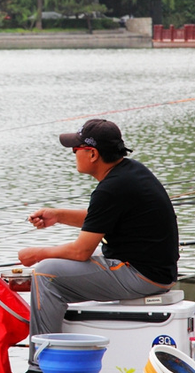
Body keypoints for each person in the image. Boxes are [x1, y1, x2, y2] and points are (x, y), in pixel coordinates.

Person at [18, 119, 179, 373]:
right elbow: (101, 217)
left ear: (92, 154)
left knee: (46, 273)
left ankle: (39, 366)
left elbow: (80, 251)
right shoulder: (129, 173)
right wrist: (58, 216)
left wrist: (39, 253)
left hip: (141, 275)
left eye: (75, 150)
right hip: (155, 272)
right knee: (54, 272)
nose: (73, 155)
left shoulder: (112, 188)